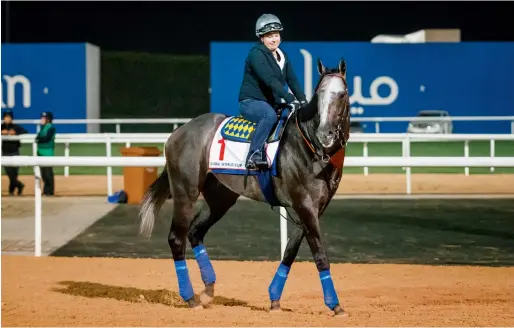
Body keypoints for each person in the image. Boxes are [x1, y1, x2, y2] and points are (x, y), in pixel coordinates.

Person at [238, 13, 307, 170]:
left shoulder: (282, 55)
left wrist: (303, 101)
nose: (274, 39)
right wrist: (290, 98)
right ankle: (253, 156)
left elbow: (292, 79)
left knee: (290, 116)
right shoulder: (256, 53)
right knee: (268, 116)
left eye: (276, 35)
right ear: (261, 38)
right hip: (251, 102)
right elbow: (270, 80)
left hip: (272, 103)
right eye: (269, 36)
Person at [1, 109, 27, 195]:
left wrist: (15, 133)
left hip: (15, 153)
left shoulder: (16, 127)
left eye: (9, 117)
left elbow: (25, 131)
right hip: (5, 154)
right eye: (6, 117)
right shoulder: (1, 127)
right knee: (10, 174)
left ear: (11, 118)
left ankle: (11, 191)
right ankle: (20, 185)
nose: (7, 119)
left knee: (14, 174)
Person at [35, 111, 56, 196]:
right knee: (43, 174)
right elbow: (38, 138)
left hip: (48, 153)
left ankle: (50, 191)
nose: (41, 119)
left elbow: (46, 139)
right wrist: (39, 139)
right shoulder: (43, 128)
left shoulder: (51, 128)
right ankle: (46, 190)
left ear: (48, 119)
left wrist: (39, 139)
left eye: (43, 118)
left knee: (48, 174)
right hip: (40, 152)